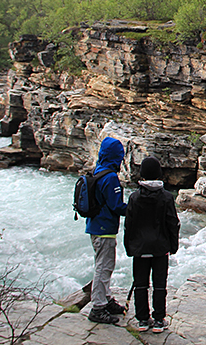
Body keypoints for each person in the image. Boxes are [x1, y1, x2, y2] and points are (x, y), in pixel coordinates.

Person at [124, 156, 180, 334]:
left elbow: (129, 225)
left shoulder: (134, 197)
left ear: (142, 175)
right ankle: (158, 320)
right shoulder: (166, 197)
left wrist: (129, 247)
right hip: (160, 247)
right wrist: (173, 246)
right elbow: (173, 223)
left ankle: (142, 319)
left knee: (140, 284)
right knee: (159, 285)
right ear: (158, 174)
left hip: (140, 248)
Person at [86, 136, 128, 324]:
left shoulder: (98, 171)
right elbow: (116, 206)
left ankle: (106, 299)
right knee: (104, 267)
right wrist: (136, 208)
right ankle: (98, 307)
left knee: (104, 265)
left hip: (95, 227)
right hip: (104, 229)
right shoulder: (110, 177)